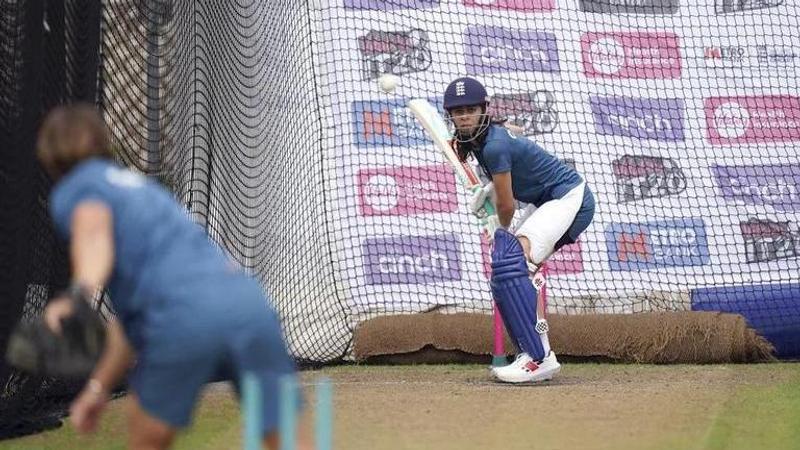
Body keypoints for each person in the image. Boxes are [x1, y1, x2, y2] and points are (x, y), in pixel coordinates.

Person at [37, 104, 310, 450]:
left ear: (50, 154)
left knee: (147, 439)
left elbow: (93, 236)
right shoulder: (143, 190)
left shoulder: (75, 189)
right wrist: (97, 389)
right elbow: (131, 323)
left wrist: (79, 293)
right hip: (247, 303)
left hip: (183, 315)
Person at [442, 77, 596, 384]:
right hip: (544, 202)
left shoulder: (494, 144)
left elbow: (508, 204)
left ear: (484, 110)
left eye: (470, 109)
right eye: (457, 112)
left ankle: (539, 358)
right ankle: (531, 353)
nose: (464, 117)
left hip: (568, 197)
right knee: (503, 272)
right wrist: (488, 192)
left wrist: (500, 229)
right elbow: (504, 183)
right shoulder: (478, 141)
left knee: (511, 259)